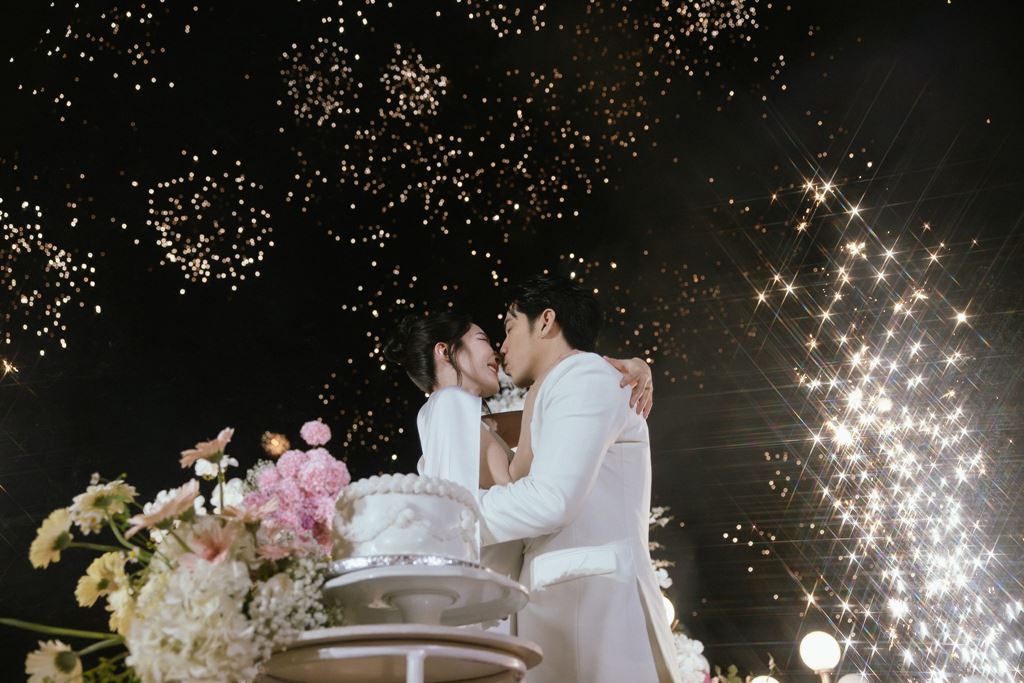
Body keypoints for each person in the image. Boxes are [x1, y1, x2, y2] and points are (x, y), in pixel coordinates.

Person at [477, 273, 680, 683]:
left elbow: (551, 500)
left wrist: (455, 515)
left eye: (509, 328)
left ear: (546, 321)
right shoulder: (559, 387)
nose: (502, 347)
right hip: (563, 609)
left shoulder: (585, 375)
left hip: (594, 614)